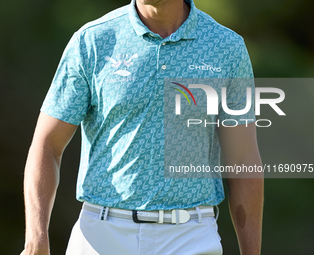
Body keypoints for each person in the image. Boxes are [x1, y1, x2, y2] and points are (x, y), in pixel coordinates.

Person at [21, 0, 264, 254]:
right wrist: (36, 239)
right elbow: (47, 145)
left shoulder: (226, 47)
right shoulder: (92, 40)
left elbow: (243, 159)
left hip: (191, 236)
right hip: (101, 235)